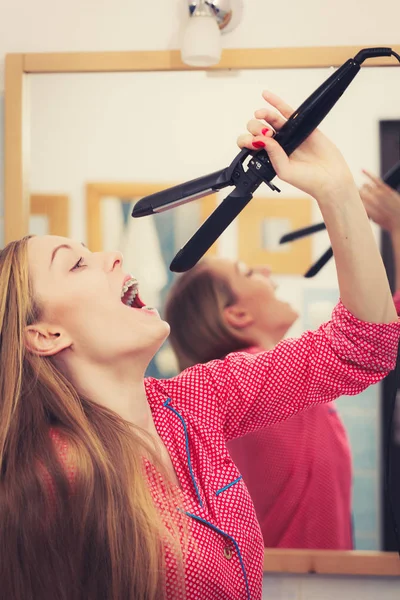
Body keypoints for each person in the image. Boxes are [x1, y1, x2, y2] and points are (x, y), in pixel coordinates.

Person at [1, 91, 399, 600]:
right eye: (76, 264)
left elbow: (362, 348)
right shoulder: (48, 478)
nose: (112, 256)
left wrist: (336, 189)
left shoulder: (196, 402)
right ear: (45, 334)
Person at [165, 255, 355, 550]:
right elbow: (370, 334)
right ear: (237, 314)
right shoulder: (250, 384)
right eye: (249, 272)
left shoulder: (250, 392)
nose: (266, 269)